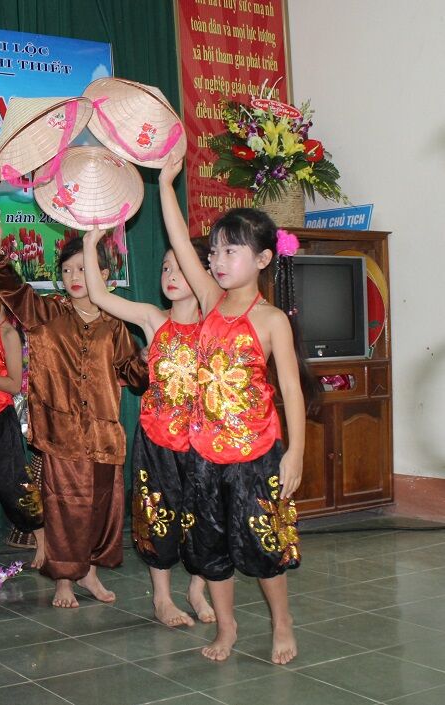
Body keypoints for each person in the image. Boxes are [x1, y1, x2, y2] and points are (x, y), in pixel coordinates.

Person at [160, 154, 316, 664]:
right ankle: (227, 628)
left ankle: (282, 622)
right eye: (216, 251)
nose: (218, 261)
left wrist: (295, 453)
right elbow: (179, 238)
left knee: (264, 548)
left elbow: (291, 390)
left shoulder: (271, 320)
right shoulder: (208, 299)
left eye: (232, 250)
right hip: (204, 454)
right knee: (211, 549)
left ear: (264, 259)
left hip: (257, 454)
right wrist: (165, 183)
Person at [0, 234, 146, 609]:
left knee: (100, 508)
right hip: (60, 434)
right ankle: (63, 578)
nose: (74, 277)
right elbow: (13, 290)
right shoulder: (48, 313)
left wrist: (147, 358)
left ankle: (88, 572)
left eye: (83, 269)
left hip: (104, 434)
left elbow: (135, 377)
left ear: (103, 274)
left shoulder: (115, 324)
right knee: (62, 508)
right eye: (67, 270)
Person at [81, 228, 214, 627]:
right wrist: (90, 244)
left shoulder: (218, 325)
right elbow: (100, 295)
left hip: (205, 443)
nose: (170, 275)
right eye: (165, 268)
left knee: (206, 519)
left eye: (181, 268)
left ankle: (197, 588)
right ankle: (162, 598)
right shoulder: (154, 320)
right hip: (157, 441)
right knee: (159, 517)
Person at [0, 304, 45, 567]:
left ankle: (42, 539)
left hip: (0, 415)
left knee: (13, 482)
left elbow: (13, 384)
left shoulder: (8, 334)